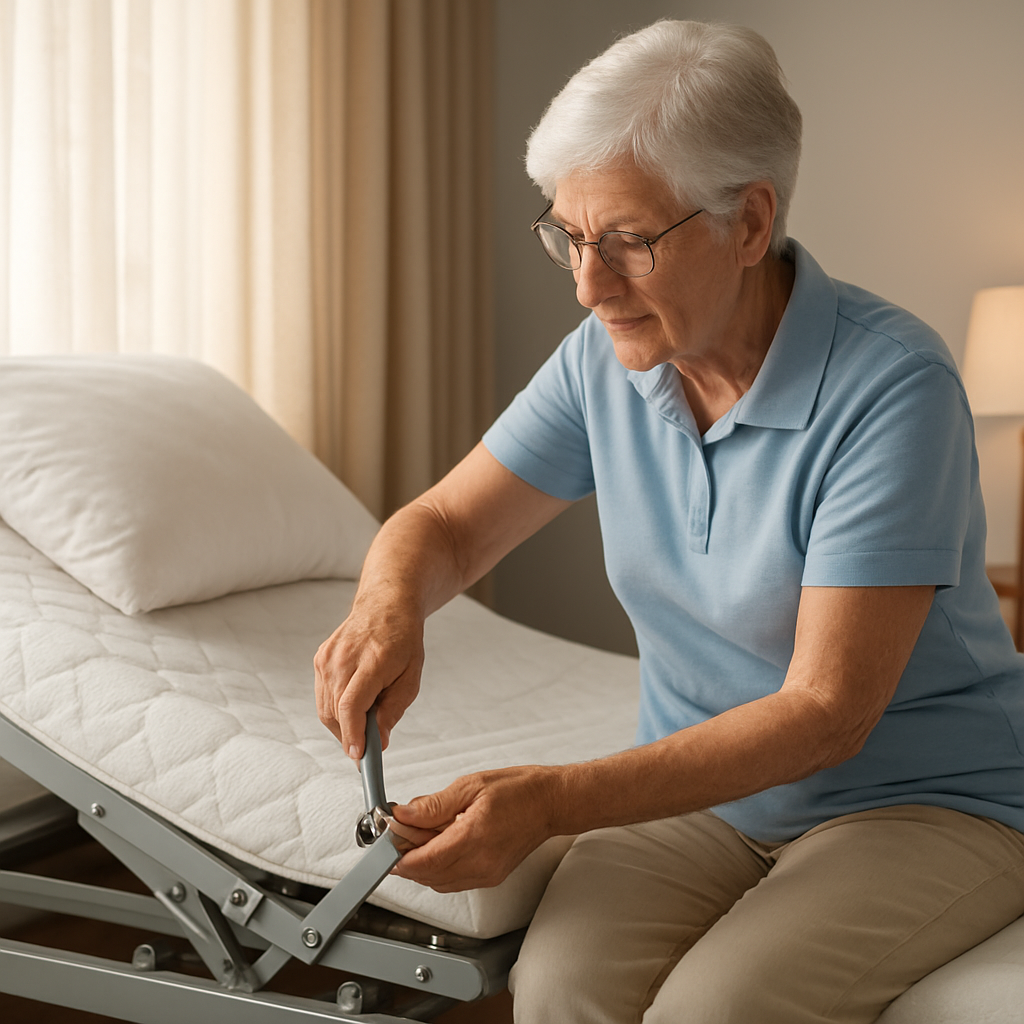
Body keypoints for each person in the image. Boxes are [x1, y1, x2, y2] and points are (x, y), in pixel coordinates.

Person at [314, 20, 1024, 1024]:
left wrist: (553, 797)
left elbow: (827, 711)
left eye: (629, 242)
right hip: (707, 798)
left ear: (746, 223)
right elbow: (448, 525)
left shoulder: (890, 386)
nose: (587, 284)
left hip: (921, 797)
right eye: (567, 234)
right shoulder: (602, 359)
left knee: (716, 1009)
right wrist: (389, 605)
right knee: (557, 987)